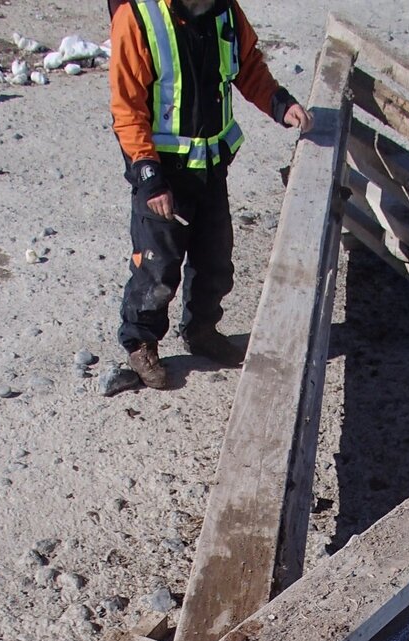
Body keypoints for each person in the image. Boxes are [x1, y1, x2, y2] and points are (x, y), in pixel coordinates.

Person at [108, 0, 312, 389]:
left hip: (210, 168)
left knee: (214, 258)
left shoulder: (223, 10)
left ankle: (202, 330)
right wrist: (149, 176)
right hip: (164, 174)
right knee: (157, 266)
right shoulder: (138, 17)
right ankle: (141, 343)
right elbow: (127, 106)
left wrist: (279, 103)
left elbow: (247, 64)